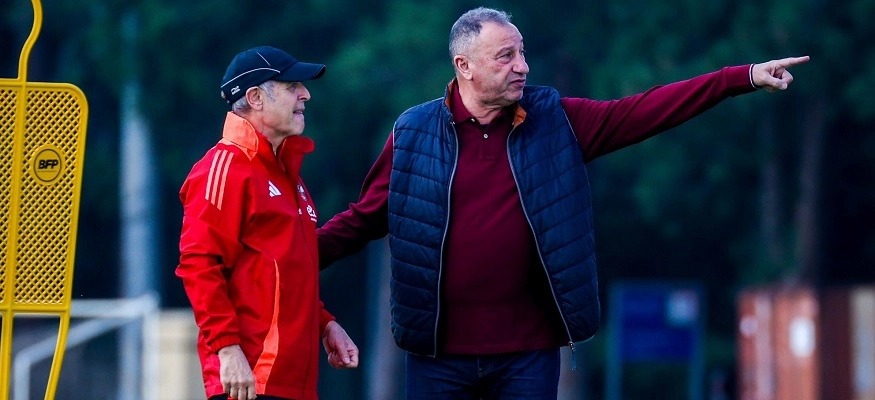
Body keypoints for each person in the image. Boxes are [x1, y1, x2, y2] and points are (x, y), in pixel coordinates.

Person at [317, 7, 809, 400]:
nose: (522, 66)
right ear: (464, 66)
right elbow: (363, 219)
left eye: (522, 52)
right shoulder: (413, 132)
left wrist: (740, 77)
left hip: (528, 353)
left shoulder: (556, 121)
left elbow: (644, 111)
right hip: (436, 356)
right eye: (506, 56)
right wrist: (291, 257)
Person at [176, 45, 359, 400]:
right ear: (255, 98)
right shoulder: (223, 167)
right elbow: (199, 265)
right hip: (248, 380)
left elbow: (283, 272)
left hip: (294, 383)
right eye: (292, 86)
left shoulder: (287, 174)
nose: (305, 94)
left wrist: (326, 325)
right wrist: (228, 349)